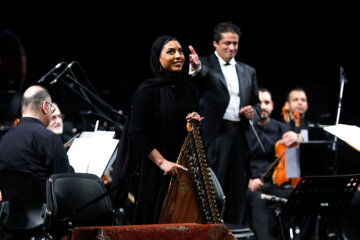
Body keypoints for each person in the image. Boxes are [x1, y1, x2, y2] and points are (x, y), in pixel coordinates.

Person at [110, 35, 203, 225]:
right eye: (171, 51)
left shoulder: (189, 89)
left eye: (180, 51)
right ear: (157, 59)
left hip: (184, 172)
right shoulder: (147, 91)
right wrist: (162, 163)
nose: (178, 55)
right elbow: (136, 132)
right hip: (156, 173)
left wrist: (195, 121)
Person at [188, 21, 261, 227]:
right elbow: (200, 75)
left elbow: (257, 104)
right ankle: (210, 231)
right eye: (227, 43)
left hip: (239, 136)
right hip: (215, 136)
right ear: (215, 44)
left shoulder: (249, 71)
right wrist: (196, 66)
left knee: (237, 190)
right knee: (213, 191)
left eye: (235, 43)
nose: (232, 48)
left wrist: (252, 111)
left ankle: (234, 232)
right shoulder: (204, 64)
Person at [0, 85, 74, 183]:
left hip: (13, 198)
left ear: (23, 109)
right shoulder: (49, 138)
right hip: (44, 198)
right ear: (44, 107)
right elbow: (66, 180)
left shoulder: (5, 139)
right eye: (51, 108)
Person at [245, 88, 288, 240]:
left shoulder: (282, 128)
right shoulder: (244, 129)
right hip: (252, 187)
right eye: (259, 103)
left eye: (266, 102)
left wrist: (297, 137)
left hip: (276, 185)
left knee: (299, 197)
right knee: (258, 200)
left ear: (272, 105)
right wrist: (247, 181)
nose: (263, 106)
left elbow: (294, 156)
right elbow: (236, 163)